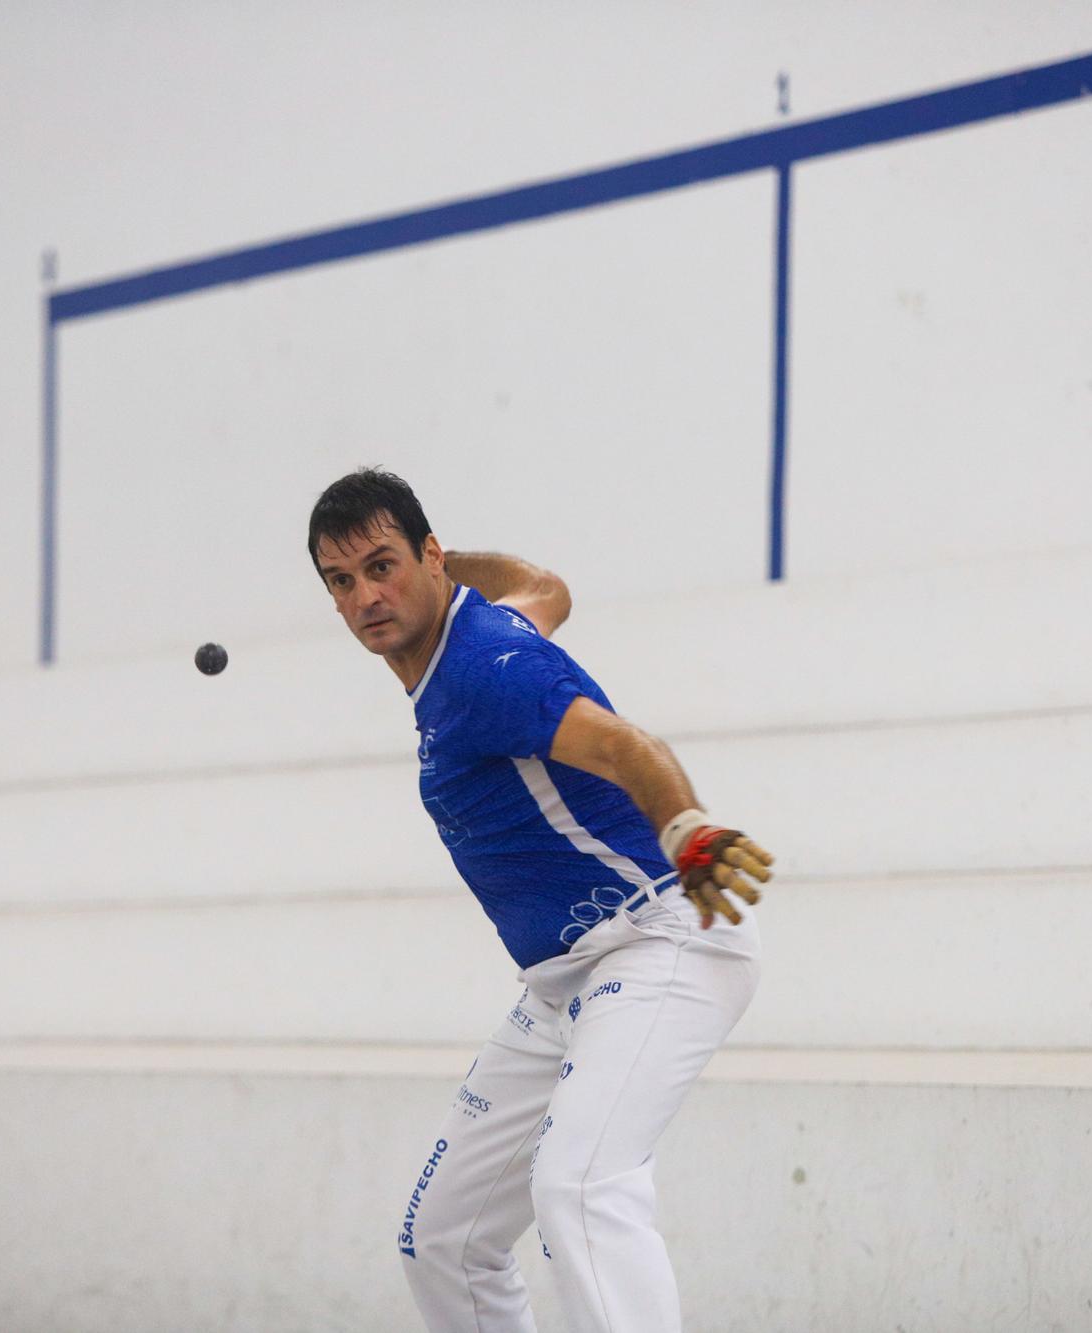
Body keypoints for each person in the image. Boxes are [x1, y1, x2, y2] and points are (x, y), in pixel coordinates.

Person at [307, 468, 774, 1333]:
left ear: (430, 556)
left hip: (661, 938)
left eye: (385, 566)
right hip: (565, 983)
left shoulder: (490, 668)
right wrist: (432, 565)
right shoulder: (489, 627)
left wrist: (689, 831)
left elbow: (624, 743)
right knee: (442, 1240)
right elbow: (548, 586)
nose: (368, 595)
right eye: (343, 580)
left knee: (581, 1184)